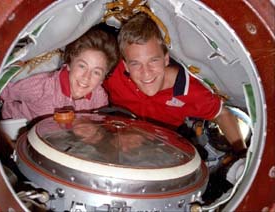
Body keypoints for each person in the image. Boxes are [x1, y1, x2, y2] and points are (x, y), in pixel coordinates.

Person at [103, 13, 246, 154]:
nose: (146, 73)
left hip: (158, 150)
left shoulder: (189, 89)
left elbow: (222, 114)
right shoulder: (112, 72)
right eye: (135, 64)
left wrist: (241, 155)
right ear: (126, 65)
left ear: (166, 59)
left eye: (153, 61)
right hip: (113, 142)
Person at [1, 26, 119, 121]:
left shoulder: (99, 99)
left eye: (96, 72)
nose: (86, 77)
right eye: (82, 66)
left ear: (103, 78)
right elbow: (0, 91)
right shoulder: (40, 87)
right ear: (69, 64)